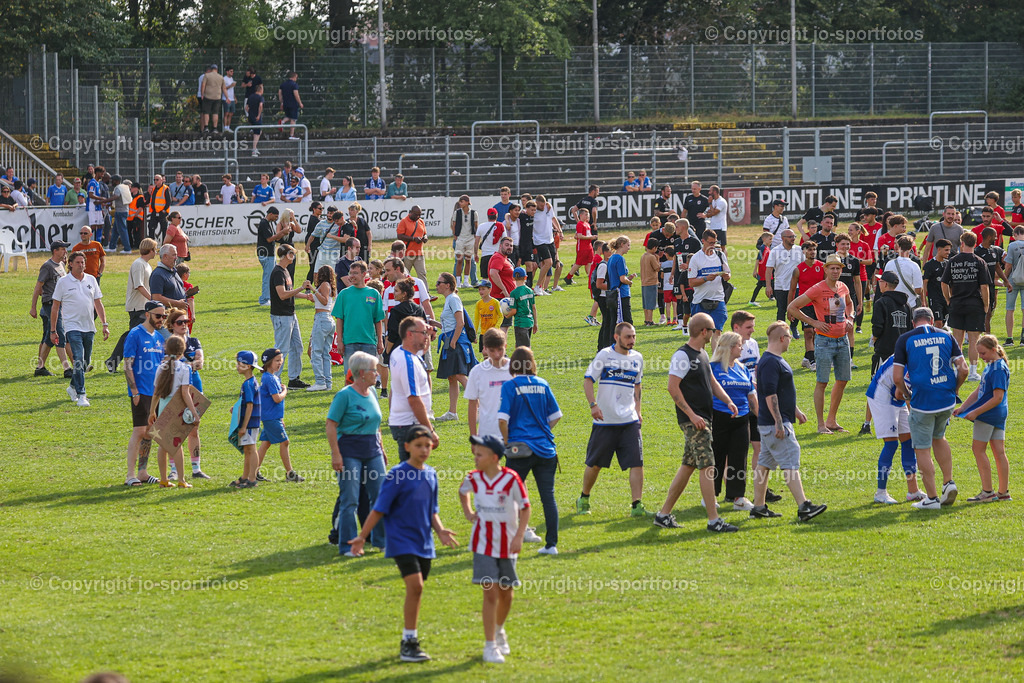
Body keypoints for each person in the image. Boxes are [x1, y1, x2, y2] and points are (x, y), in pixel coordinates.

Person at [347, 424, 458, 663]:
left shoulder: (431, 474)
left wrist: (440, 531)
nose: (424, 450)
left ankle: (409, 638)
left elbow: (432, 511)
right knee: (415, 586)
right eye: (419, 446)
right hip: (401, 540)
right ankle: (409, 642)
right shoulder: (397, 474)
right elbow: (379, 509)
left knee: (417, 590)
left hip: (424, 542)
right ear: (407, 447)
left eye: (427, 446)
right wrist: (362, 537)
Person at [652, 313, 739, 532]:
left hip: (703, 418)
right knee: (708, 466)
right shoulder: (682, 356)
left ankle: (663, 515)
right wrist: (691, 415)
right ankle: (713, 520)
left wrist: (727, 400)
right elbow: (673, 388)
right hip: (694, 421)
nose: (714, 335)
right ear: (704, 332)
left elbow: (712, 381)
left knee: (689, 465)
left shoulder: (702, 354)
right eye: (713, 331)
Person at [459, 434, 530, 664]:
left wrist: (520, 536)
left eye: (479, 454)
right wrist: (468, 513)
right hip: (482, 545)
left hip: (508, 545)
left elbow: (526, 508)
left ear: (494, 457)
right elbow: (463, 492)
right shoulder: (474, 478)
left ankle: (500, 630)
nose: (475, 457)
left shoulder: (511, 479)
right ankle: (490, 645)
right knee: (490, 592)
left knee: (506, 593)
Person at [748, 321, 828, 520]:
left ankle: (758, 507)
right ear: (782, 338)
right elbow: (770, 395)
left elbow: (782, 392)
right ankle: (803, 507)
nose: (791, 341)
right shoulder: (770, 362)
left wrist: (796, 411)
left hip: (773, 422)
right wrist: (778, 422)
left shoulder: (774, 360)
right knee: (790, 461)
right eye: (789, 338)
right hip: (774, 423)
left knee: (764, 464)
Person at [893, 307, 969, 510]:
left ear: (913, 322)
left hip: (923, 401)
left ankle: (933, 498)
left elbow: (897, 378)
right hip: (946, 399)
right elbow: (964, 368)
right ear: (933, 320)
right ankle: (948, 482)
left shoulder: (905, 339)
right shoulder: (947, 336)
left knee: (922, 448)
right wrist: (954, 389)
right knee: (939, 437)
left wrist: (907, 395)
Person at [576, 321, 651, 517]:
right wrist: (593, 405)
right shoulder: (605, 355)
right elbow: (587, 380)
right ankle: (584, 497)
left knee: (637, 462)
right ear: (617, 337)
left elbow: (637, 386)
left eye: (634, 336)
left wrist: (638, 411)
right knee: (595, 464)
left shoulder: (638, 358)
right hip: (605, 421)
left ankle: (637, 505)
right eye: (628, 337)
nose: (632, 340)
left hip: (630, 421)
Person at [499, 346, 562, 555]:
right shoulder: (543, 384)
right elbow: (556, 416)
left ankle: (508, 537)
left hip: (519, 449)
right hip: (546, 448)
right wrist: (541, 431)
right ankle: (551, 545)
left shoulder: (510, 386)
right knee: (548, 497)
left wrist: (508, 442)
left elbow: (502, 420)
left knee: (509, 493)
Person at [327, 350, 388, 556]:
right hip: (349, 451)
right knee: (350, 500)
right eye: (374, 370)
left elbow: (376, 423)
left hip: (373, 450)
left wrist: (382, 448)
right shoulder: (344, 395)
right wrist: (336, 454)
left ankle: (381, 541)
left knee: (380, 497)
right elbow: (331, 424)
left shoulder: (371, 394)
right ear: (362, 373)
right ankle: (348, 546)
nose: (377, 373)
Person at [788, 254, 855, 434]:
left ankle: (831, 420)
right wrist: (814, 322)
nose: (835, 271)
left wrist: (851, 317)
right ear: (825, 269)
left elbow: (849, 304)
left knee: (842, 380)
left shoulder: (843, 287)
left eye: (838, 268)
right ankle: (820, 425)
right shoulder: (817, 289)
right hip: (824, 341)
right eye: (832, 268)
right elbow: (792, 307)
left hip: (842, 340)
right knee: (822, 381)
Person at [953, 335, 1010, 502]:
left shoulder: (998, 368)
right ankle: (1003, 492)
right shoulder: (992, 364)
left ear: (994, 350)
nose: (981, 357)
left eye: (983, 353)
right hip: (997, 414)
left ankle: (987, 491)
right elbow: (979, 390)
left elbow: (997, 397)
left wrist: (976, 412)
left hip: (989, 415)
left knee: (978, 450)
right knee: (999, 452)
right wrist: (963, 407)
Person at [50, 251, 108, 407]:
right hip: (72, 326)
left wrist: (104, 324)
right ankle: (82, 394)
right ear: (70, 264)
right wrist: (53, 330)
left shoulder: (91, 280)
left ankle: (73, 386)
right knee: (78, 358)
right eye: (78, 262)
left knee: (85, 361)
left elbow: (98, 303)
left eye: (83, 262)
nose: (81, 265)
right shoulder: (63, 282)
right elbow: (55, 307)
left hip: (89, 326)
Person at [709, 331, 758, 511]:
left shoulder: (742, 368)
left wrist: (761, 417)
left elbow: (752, 396)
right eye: (739, 345)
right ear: (730, 347)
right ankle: (711, 495)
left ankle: (737, 497)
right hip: (719, 417)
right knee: (717, 458)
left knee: (739, 458)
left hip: (742, 418)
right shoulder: (712, 367)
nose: (742, 348)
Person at [865, 354, 921, 504]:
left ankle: (913, 490)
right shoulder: (914, 358)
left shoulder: (919, 352)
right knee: (891, 443)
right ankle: (880, 493)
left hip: (896, 395)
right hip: (882, 395)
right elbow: (900, 393)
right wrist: (917, 414)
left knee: (908, 440)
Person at [123, 301, 167, 486]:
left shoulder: (159, 337)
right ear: (147, 314)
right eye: (158, 316)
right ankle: (130, 476)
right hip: (141, 391)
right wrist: (134, 391)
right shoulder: (135, 334)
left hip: (156, 393)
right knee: (139, 431)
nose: (162, 320)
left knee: (150, 433)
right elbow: (127, 364)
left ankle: (143, 472)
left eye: (164, 316)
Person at [148, 335, 199, 488]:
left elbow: (156, 393)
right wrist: (194, 412)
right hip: (177, 408)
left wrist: (152, 412)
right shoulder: (185, 368)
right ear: (182, 351)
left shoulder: (161, 367)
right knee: (176, 445)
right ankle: (182, 480)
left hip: (163, 406)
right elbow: (185, 393)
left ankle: (164, 479)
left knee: (163, 446)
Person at [941, 231, 991, 382]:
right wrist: (986, 304)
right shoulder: (980, 261)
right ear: (975, 243)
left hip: (956, 303)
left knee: (957, 339)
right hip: (974, 304)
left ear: (962, 243)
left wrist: (948, 299)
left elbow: (943, 282)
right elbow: (984, 286)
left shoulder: (952, 261)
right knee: (974, 339)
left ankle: (958, 370)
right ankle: (973, 372)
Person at [389, 317, 440, 461]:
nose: (426, 336)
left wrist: (427, 334)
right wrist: (430, 430)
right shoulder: (408, 363)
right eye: (423, 333)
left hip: (403, 422)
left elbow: (422, 349)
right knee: (411, 473)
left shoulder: (399, 352)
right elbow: (414, 400)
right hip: (409, 425)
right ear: (410, 334)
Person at [105, 238, 157, 373]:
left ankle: (116, 361)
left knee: (134, 334)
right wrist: (152, 300)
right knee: (132, 335)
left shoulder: (146, 265)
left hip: (143, 306)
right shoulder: (138, 264)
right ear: (150, 250)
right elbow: (138, 285)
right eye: (155, 249)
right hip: (137, 306)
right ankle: (113, 360)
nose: (156, 252)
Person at [255, 348, 303, 483]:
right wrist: (285, 391)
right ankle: (290, 474)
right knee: (285, 442)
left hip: (273, 417)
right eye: (277, 360)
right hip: (270, 418)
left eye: (281, 360)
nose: (280, 363)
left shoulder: (272, 377)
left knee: (266, 444)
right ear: (268, 362)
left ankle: (253, 472)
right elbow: (276, 399)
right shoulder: (269, 378)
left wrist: (280, 418)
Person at [434, 273, 477, 422]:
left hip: (455, 341)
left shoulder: (453, 298)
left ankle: (479, 408)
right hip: (450, 339)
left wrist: (453, 341)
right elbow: (452, 323)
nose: (436, 285)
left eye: (439, 283)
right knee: (451, 377)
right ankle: (452, 413)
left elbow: (460, 322)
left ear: (448, 285)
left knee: (459, 375)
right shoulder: (448, 300)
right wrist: (436, 324)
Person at [270, 245, 313, 388]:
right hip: (282, 316)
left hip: (290, 314)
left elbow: (289, 291)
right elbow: (282, 295)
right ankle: (273, 379)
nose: (294, 257)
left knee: (297, 347)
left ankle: (294, 379)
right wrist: (301, 288)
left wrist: (306, 296)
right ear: (286, 255)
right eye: (292, 254)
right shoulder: (277, 272)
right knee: (282, 348)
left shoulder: (285, 271)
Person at [332, 260, 385, 371]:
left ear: (364, 274)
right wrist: (340, 341)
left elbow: (378, 320)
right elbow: (339, 319)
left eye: (355, 273)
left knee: (369, 377)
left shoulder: (374, 294)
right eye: (350, 273)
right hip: (349, 342)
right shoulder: (344, 294)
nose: (352, 276)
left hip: (369, 342)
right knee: (351, 378)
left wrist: (380, 341)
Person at [30, 240, 72, 378]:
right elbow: (38, 287)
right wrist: (33, 307)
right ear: (55, 251)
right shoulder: (47, 266)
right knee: (59, 333)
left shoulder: (60, 264)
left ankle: (40, 367)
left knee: (50, 336)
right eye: (62, 249)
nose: (65, 251)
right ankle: (67, 369)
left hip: (61, 304)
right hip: (50, 304)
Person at [466, 327, 513, 439]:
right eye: (492, 350)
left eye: (500, 349)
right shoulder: (477, 371)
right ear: (485, 349)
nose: (497, 354)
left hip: (513, 433)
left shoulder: (516, 370)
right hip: (487, 434)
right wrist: (473, 436)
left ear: (505, 346)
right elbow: (472, 403)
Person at [688, 229, 732, 344]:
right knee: (701, 335)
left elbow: (728, 273)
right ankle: (701, 360)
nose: (713, 245)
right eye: (710, 243)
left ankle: (715, 361)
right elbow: (691, 282)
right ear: (703, 241)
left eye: (715, 242)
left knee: (717, 332)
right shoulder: (696, 258)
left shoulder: (720, 255)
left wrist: (727, 276)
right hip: (700, 301)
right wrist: (706, 278)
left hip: (718, 299)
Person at [789, 241, 825, 368]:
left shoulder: (822, 267)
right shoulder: (798, 270)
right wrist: (790, 309)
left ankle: (807, 358)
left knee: (817, 332)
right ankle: (813, 361)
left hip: (819, 305)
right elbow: (792, 290)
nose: (812, 252)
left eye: (814, 249)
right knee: (808, 332)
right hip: (805, 305)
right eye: (809, 249)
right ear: (803, 252)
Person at [232, 350, 262, 488]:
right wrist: (237, 408)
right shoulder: (249, 382)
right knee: (247, 450)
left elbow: (250, 405)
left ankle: (252, 479)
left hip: (250, 423)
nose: (237, 366)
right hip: (250, 422)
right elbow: (245, 403)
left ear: (248, 366)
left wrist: (243, 426)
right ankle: (244, 477)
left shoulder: (248, 384)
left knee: (251, 449)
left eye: (240, 363)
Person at [308, 266, 338, 392]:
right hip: (328, 320)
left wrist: (313, 289)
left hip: (322, 318)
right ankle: (327, 382)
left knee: (316, 351)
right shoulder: (329, 286)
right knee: (325, 353)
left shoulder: (324, 285)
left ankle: (320, 381)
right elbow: (321, 300)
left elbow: (324, 301)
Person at [975, 226, 1008, 334]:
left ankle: (985, 336)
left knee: (989, 312)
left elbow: (997, 266)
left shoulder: (994, 250)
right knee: (986, 311)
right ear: (989, 237)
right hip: (981, 287)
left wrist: (1006, 281)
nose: (996, 238)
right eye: (994, 236)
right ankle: (985, 337)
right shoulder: (977, 252)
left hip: (991, 286)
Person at [882, 235, 923, 308]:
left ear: (898, 247)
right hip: (910, 303)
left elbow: (884, 284)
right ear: (911, 248)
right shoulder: (914, 266)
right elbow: (918, 290)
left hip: (892, 303)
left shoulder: (890, 264)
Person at [921, 238, 952, 328]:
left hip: (946, 298)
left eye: (949, 250)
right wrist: (924, 300)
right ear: (939, 249)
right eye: (946, 250)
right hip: (935, 298)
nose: (948, 252)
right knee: (938, 322)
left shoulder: (948, 264)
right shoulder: (930, 265)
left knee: (944, 322)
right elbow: (925, 283)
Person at [149, 245, 189, 313]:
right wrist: (177, 303)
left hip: (179, 317)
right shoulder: (158, 274)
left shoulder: (173, 270)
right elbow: (156, 298)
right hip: (168, 318)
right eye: (174, 255)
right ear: (165, 256)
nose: (176, 258)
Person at [606, 236, 635, 326]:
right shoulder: (620, 258)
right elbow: (622, 279)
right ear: (622, 245)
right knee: (627, 322)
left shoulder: (611, 258)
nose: (629, 248)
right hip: (622, 293)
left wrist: (627, 278)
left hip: (613, 293)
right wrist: (629, 282)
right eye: (628, 245)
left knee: (615, 320)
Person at [256, 207, 282, 306]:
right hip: (266, 254)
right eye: (275, 216)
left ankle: (269, 297)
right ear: (270, 214)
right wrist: (281, 233)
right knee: (268, 277)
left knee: (270, 276)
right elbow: (269, 239)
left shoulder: (268, 223)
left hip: (268, 254)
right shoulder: (264, 223)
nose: (276, 219)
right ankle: (264, 299)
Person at [1004, 225, 1024, 346]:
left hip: (1013, 279)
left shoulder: (1012, 245)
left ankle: (1010, 338)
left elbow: (1008, 265)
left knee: (1010, 308)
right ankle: (1023, 338)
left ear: (1014, 234)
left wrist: (1005, 279)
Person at [507, 267, 537, 348]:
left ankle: (526, 360)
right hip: (530, 322)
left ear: (513, 278)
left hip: (520, 323)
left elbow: (513, 311)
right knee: (522, 345)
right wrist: (535, 323)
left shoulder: (514, 293)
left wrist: (506, 315)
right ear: (525, 277)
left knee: (523, 348)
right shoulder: (530, 290)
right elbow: (533, 308)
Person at [565, 208, 596, 284]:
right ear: (581, 215)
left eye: (588, 215)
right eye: (585, 215)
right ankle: (568, 277)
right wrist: (590, 237)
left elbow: (581, 235)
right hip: (582, 247)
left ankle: (590, 277)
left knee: (589, 262)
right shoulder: (580, 224)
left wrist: (591, 237)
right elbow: (579, 236)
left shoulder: (587, 224)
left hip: (589, 246)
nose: (587, 216)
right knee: (579, 263)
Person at [397, 205, 428, 281]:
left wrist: (425, 238)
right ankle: (403, 290)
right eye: (416, 214)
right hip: (407, 253)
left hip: (419, 253)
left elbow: (425, 233)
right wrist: (413, 239)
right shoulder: (403, 221)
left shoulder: (421, 221)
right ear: (410, 212)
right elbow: (400, 236)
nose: (418, 216)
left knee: (422, 273)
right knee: (404, 274)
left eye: (419, 214)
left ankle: (425, 292)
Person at [473, 281, 500, 351]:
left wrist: (496, 328)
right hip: (483, 334)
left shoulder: (495, 302)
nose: (481, 291)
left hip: (493, 334)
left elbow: (501, 316)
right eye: (479, 289)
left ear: (490, 290)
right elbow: (476, 320)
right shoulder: (478, 304)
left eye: (483, 289)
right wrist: (474, 333)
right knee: (485, 354)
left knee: (493, 353)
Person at [639, 239, 660, 326]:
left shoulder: (643, 256)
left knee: (645, 302)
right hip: (651, 282)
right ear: (654, 247)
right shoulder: (652, 257)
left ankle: (646, 319)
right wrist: (658, 259)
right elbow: (657, 268)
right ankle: (650, 321)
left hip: (644, 282)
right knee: (651, 303)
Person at [278, 72, 303, 140]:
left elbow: (280, 94)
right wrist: (300, 103)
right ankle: (291, 135)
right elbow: (296, 94)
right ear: (294, 77)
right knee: (293, 119)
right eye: (296, 77)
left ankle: (282, 122)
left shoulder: (283, 85)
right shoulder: (294, 85)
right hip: (293, 104)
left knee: (288, 116)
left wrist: (282, 103)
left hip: (285, 104)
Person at [245, 83, 265, 156]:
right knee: (257, 133)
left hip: (251, 117)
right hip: (257, 118)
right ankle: (254, 149)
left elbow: (246, 107)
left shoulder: (250, 97)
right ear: (260, 90)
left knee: (259, 130)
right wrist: (258, 115)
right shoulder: (260, 98)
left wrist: (250, 113)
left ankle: (255, 147)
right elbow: (260, 106)